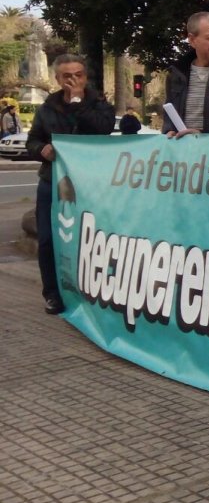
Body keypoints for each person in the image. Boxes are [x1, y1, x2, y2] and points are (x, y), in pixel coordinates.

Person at [27, 54, 116, 314]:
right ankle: (52, 294)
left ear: (85, 77)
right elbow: (32, 140)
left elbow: (103, 129)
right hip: (52, 181)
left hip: (88, 183)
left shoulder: (99, 104)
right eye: (67, 76)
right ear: (57, 79)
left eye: (78, 75)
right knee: (47, 240)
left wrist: (78, 102)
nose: (73, 80)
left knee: (88, 239)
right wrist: (41, 149)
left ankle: (88, 292)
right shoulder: (47, 108)